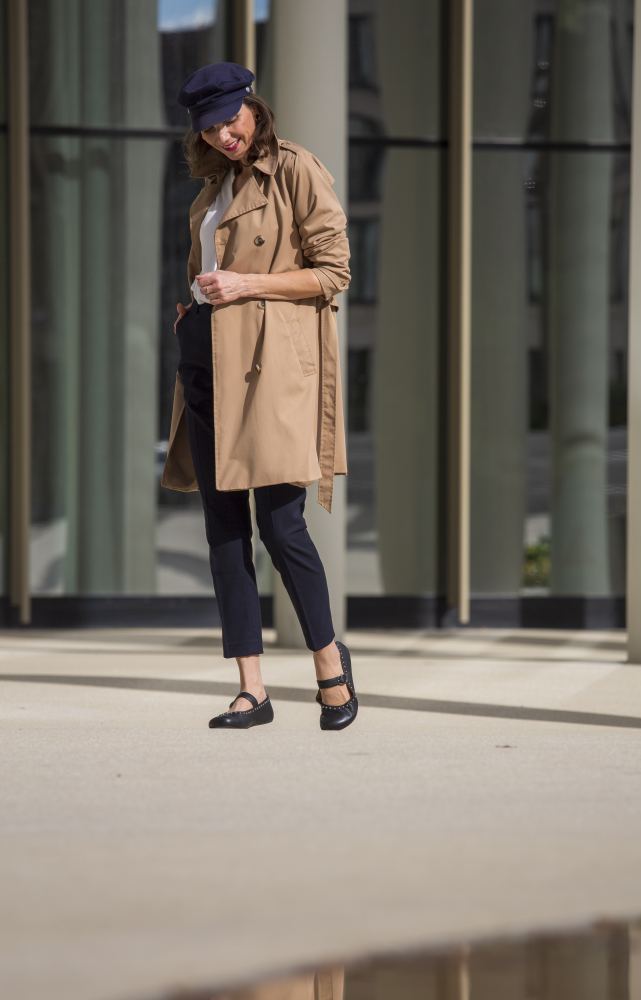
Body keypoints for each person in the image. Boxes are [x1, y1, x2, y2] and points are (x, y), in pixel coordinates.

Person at [160, 61, 357, 732]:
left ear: (253, 108)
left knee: (281, 525)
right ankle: (251, 689)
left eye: (230, 120)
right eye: (209, 128)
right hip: (206, 365)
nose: (223, 135)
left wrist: (247, 286)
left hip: (268, 371)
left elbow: (333, 272)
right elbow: (203, 273)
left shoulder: (296, 169)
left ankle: (329, 665)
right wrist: (192, 310)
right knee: (223, 530)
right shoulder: (211, 189)